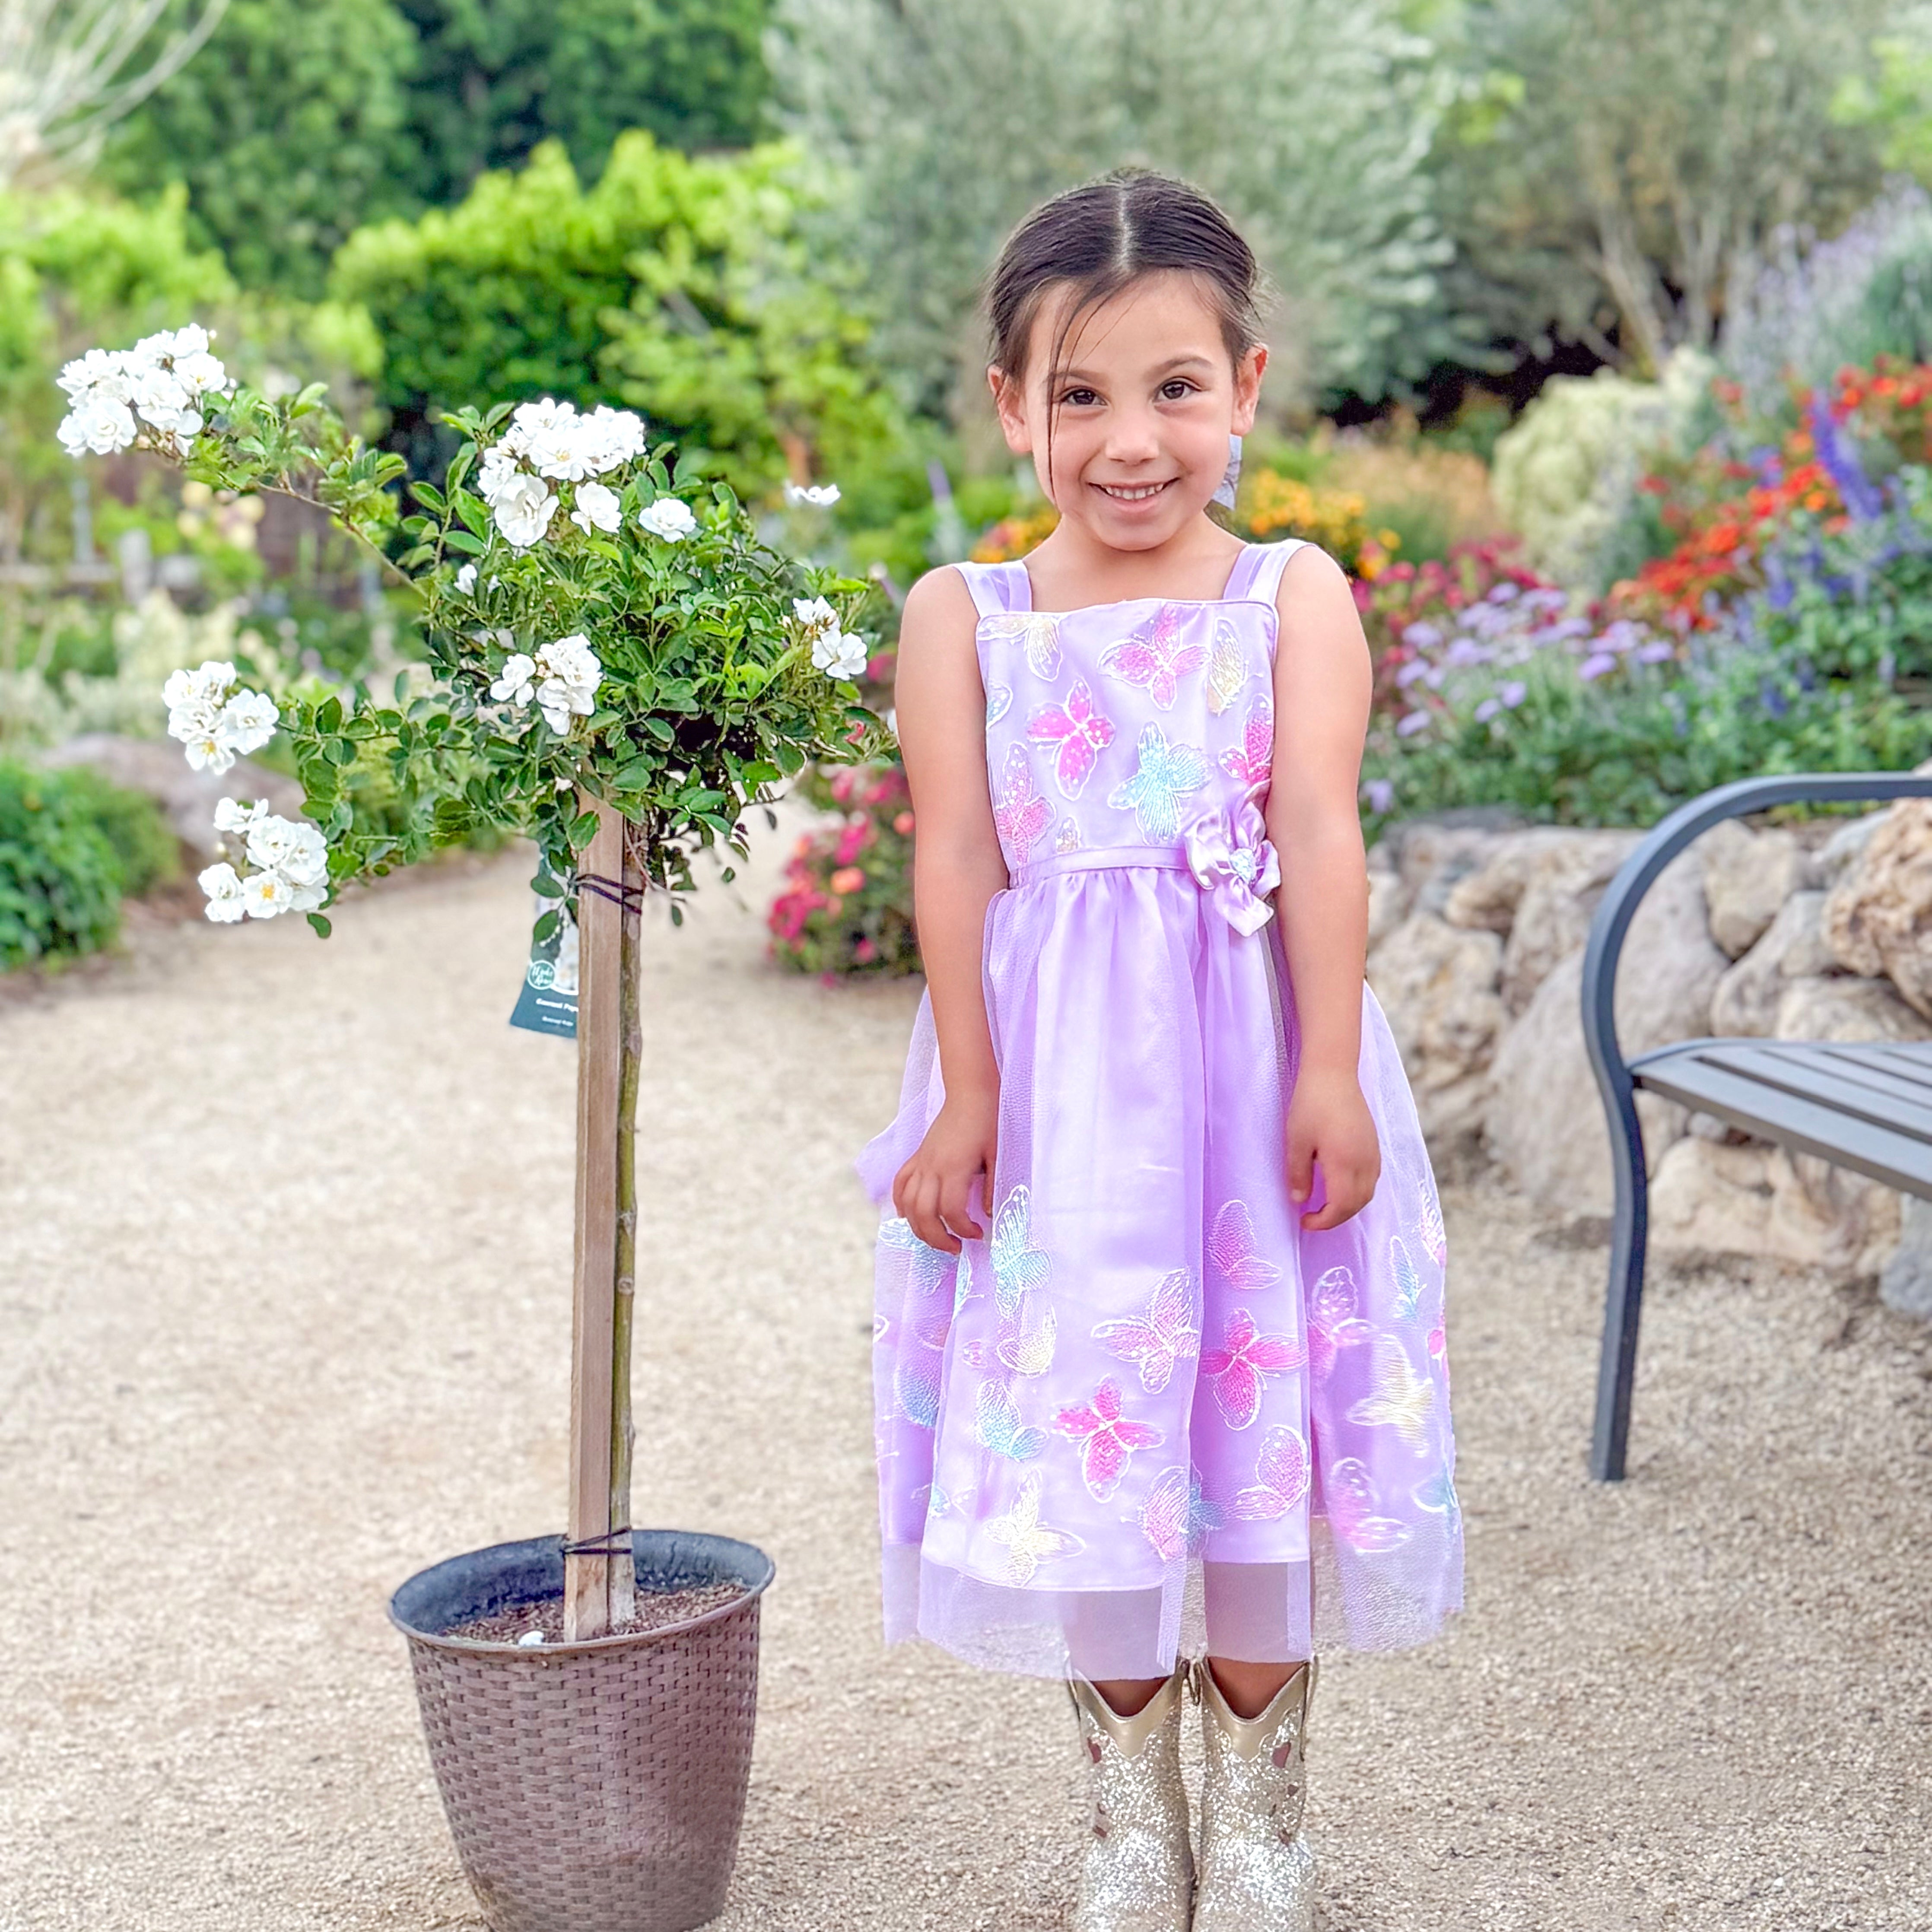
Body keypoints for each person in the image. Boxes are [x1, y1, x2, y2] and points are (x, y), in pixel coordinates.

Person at [855, 169, 1462, 1932]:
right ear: (1007, 407)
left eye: (1173, 389)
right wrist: (970, 1089)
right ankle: (1133, 1823)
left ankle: (1264, 1821)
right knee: (1096, 1422)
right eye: (1079, 395)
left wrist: (1329, 1065)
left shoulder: (1290, 600)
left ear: (1246, 388)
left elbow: (1325, 835)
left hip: (1254, 1062)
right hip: (1059, 1090)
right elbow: (957, 853)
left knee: (1254, 1408)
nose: (1129, 440)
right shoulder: (965, 615)